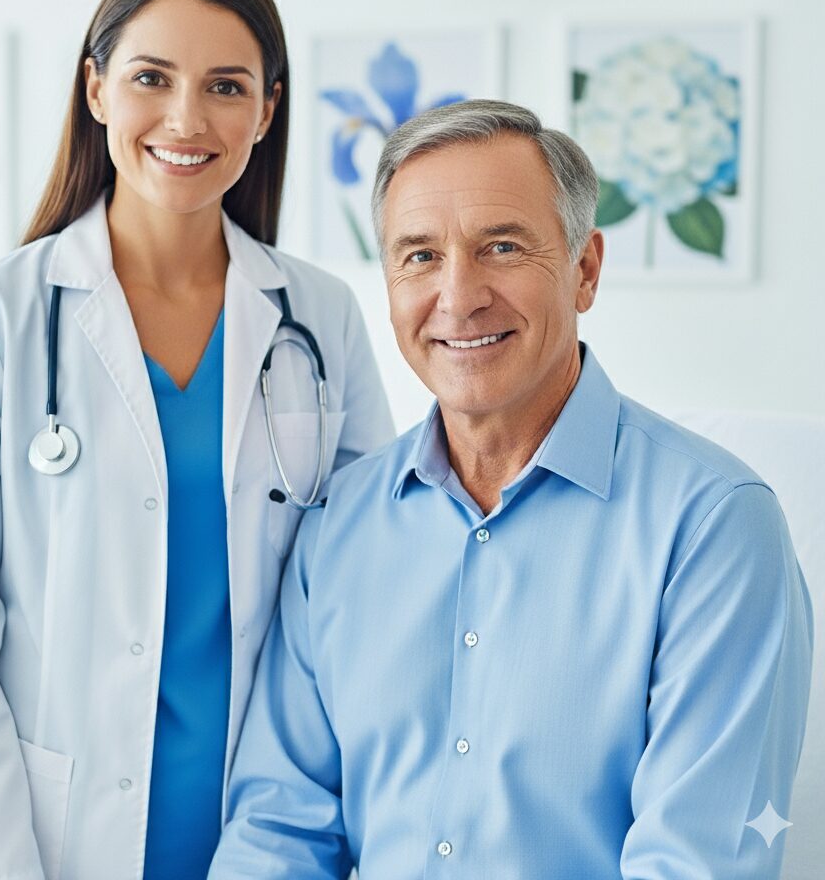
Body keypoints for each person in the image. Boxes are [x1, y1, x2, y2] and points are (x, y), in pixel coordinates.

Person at [0, 0, 393, 880]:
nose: (187, 118)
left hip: (269, 835)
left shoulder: (320, 320)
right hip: (46, 839)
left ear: (268, 109)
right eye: (152, 77)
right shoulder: (1, 317)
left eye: (228, 87)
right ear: (97, 88)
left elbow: (363, 598)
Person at [208, 99, 813, 880]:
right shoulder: (336, 524)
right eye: (419, 256)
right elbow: (278, 833)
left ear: (584, 269)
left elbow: (699, 863)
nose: (459, 297)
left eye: (500, 246)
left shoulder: (714, 528)